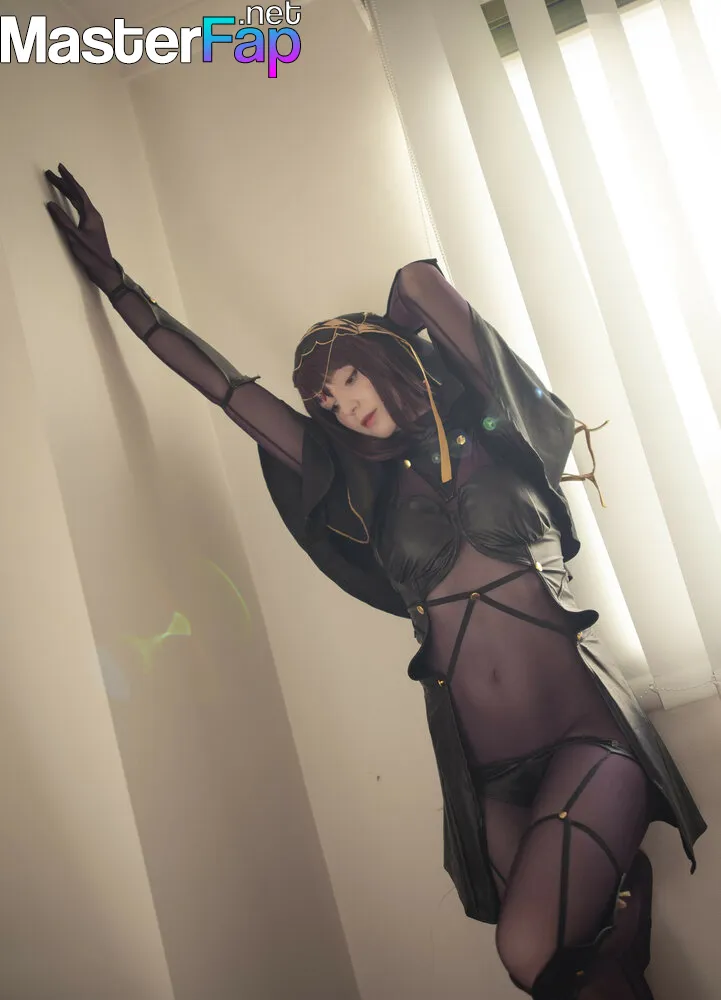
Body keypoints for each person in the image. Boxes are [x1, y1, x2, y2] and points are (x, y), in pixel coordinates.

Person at [45, 163, 706, 999]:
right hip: (484, 771)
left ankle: (620, 923)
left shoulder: (499, 433)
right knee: (577, 972)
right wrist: (117, 282)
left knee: (527, 950)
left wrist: (379, 334)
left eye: (349, 375)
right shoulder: (360, 487)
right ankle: (620, 931)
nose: (341, 403)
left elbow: (418, 285)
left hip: (584, 733)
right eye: (324, 398)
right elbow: (225, 390)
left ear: (382, 360)